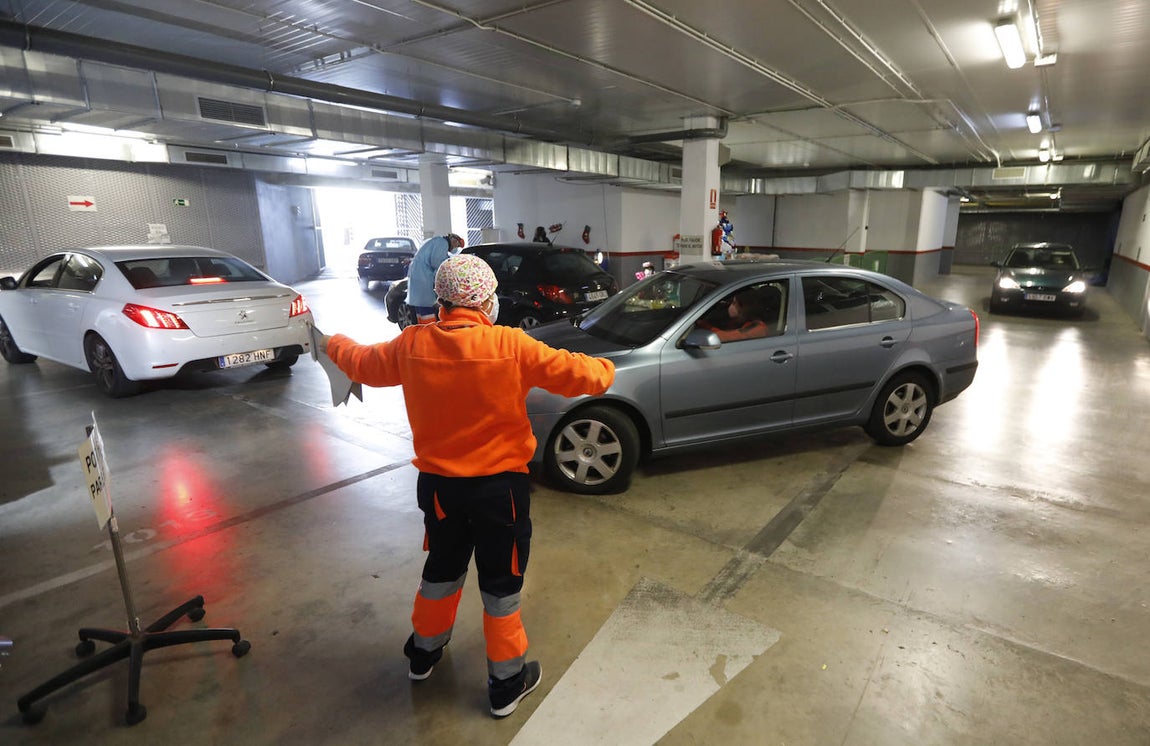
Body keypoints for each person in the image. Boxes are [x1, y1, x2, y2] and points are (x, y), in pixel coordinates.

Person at [316, 254, 615, 718]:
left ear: (441, 300)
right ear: (487, 300)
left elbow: (362, 364)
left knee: (442, 568)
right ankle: (505, 683)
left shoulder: (411, 344)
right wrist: (606, 368)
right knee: (501, 584)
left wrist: (331, 341)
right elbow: (583, 376)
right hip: (500, 493)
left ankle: (423, 654)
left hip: (440, 489)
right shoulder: (511, 344)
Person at [407, 233, 465, 323]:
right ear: (453, 240)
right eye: (456, 245)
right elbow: (438, 263)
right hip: (424, 279)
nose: (454, 248)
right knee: (427, 310)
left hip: (418, 279)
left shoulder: (437, 241)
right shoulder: (442, 243)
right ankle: (429, 331)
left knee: (421, 310)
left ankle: (423, 331)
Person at [696, 287, 771, 342]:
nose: (730, 305)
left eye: (734, 303)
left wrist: (704, 325)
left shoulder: (757, 328)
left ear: (743, 307)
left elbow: (724, 337)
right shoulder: (739, 321)